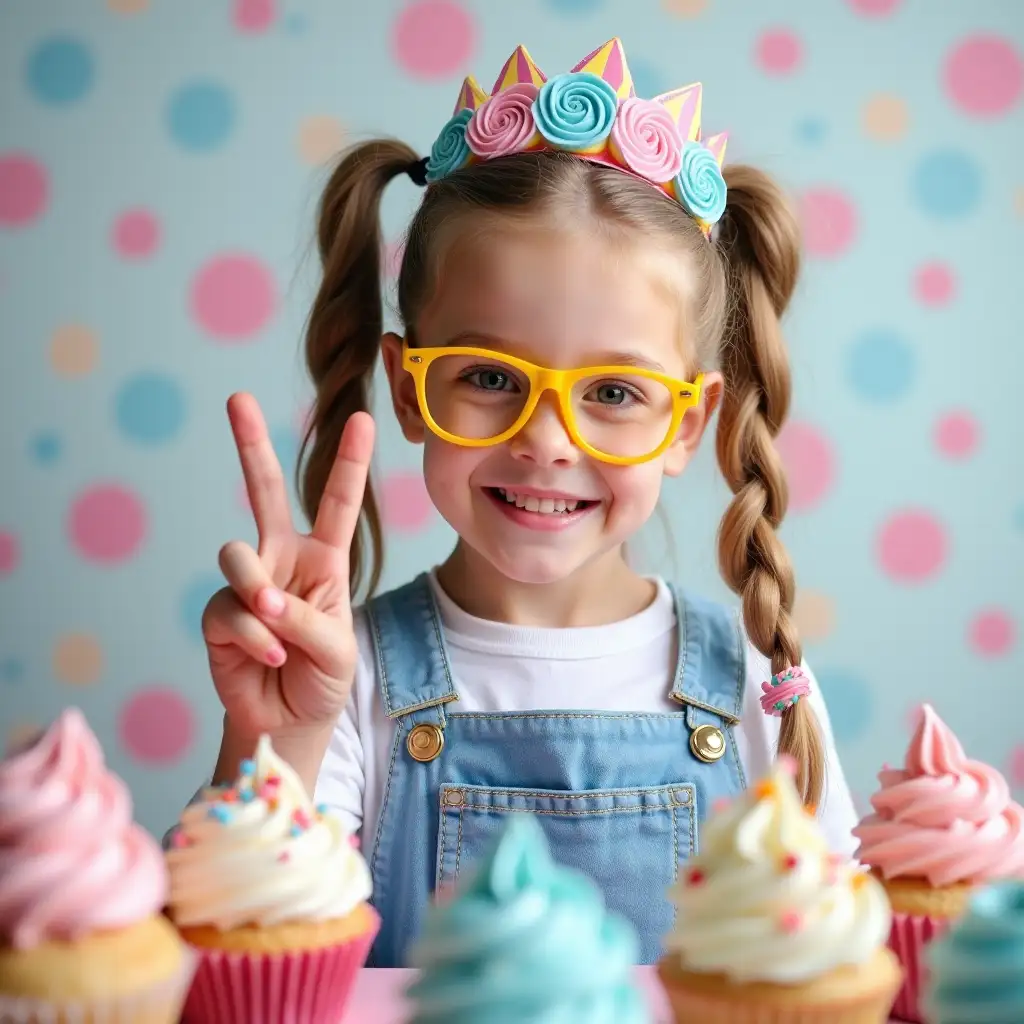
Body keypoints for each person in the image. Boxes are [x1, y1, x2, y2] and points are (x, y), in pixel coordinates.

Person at [192, 40, 859, 966]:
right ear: (409, 388)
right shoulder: (344, 688)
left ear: (686, 424)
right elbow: (233, 966)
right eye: (490, 377)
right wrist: (282, 736)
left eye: (615, 393)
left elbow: (832, 973)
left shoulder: (757, 684)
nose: (546, 439)